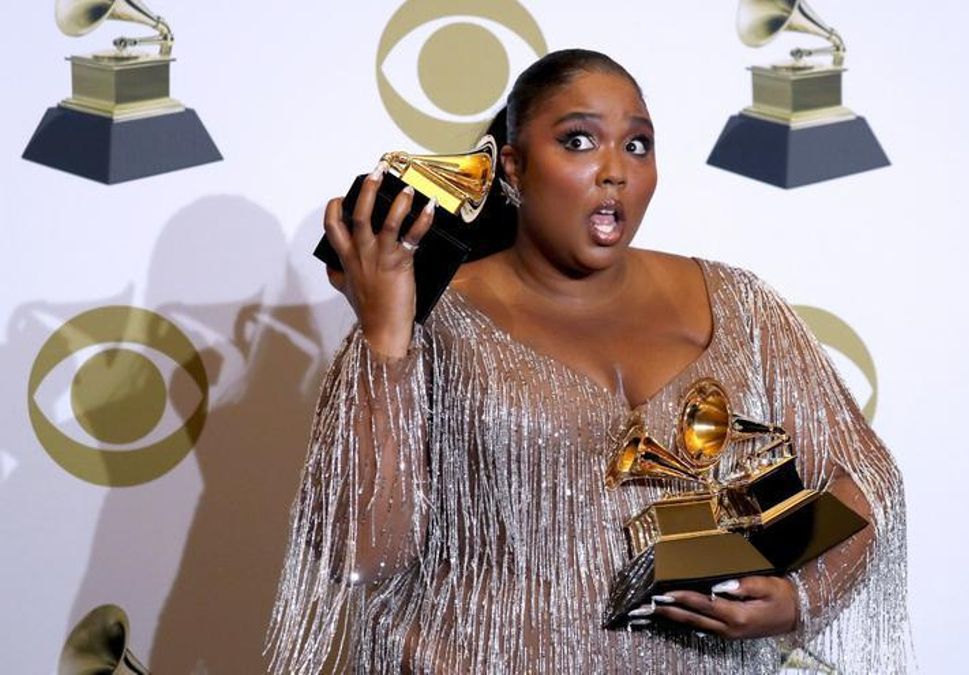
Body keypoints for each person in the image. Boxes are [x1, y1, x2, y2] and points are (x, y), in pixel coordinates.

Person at [267, 49, 910, 674]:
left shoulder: (740, 304)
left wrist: (798, 598)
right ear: (513, 169)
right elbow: (364, 554)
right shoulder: (424, 320)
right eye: (579, 141)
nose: (615, 171)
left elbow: (865, 481)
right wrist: (385, 333)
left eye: (637, 145)